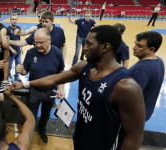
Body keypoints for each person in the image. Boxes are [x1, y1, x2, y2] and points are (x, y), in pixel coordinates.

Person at [11, 25, 145, 150]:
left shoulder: (126, 87)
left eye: (89, 44)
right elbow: (53, 78)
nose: (84, 48)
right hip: (80, 139)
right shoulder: (84, 67)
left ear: (105, 47)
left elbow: (134, 137)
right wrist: (25, 84)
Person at [15, 28, 64, 144]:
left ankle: (42, 130)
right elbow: (25, 71)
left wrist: (61, 89)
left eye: (41, 42)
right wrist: (21, 71)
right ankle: (29, 133)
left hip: (51, 93)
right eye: (36, 42)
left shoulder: (57, 53)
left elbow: (61, 73)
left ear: (49, 40)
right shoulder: (31, 53)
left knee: (45, 114)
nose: (38, 45)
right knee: (31, 115)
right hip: (34, 92)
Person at [128, 31, 164, 121]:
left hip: (131, 117)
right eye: (135, 44)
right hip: (145, 112)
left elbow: (129, 99)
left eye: (139, 46)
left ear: (151, 50)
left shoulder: (140, 70)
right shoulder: (159, 61)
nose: (134, 48)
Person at [7, 14, 23, 82]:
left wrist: (22, 48)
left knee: (18, 66)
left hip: (18, 52)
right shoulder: (7, 29)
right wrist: (11, 49)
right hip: (10, 52)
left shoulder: (18, 28)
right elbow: (6, 41)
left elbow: (20, 38)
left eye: (15, 19)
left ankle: (16, 77)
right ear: (10, 20)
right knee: (9, 66)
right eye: (13, 19)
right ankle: (9, 77)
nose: (14, 21)